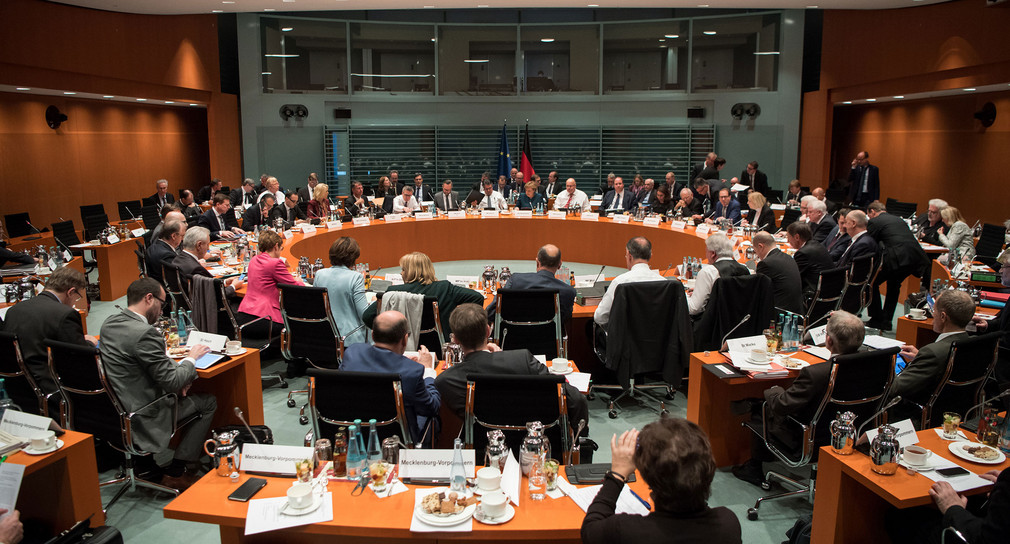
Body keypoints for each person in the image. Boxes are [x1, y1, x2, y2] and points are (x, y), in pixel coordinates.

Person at [100, 278, 217, 490]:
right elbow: (173, 382)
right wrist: (191, 358)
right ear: (148, 299)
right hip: (144, 414)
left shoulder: (109, 323)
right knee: (207, 402)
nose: (162, 310)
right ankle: (179, 470)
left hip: (114, 411)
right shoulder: (144, 333)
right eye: (162, 304)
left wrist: (177, 375)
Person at [733, 310, 865, 486]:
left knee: (762, 407)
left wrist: (773, 389)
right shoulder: (873, 367)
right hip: (851, 434)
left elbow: (781, 405)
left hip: (808, 437)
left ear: (829, 341)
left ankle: (754, 469)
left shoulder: (816, 374)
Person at [434, 303, 588, 434]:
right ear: (488, 331)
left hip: (483, 451)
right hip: (534, 446)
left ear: (455, 339)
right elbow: (576, 399)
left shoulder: (446, 380)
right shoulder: (522, 359)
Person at [581, 419, 742, 544]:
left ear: (649, 478)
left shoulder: (626, 531)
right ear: (709, 468)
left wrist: (617, 474)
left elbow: (590, 529)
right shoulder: (727, 524)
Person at [1, 267, 97, 408]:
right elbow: (80, 358)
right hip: (50, 387)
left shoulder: (14, 310)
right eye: (77, 297)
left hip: (15, 385)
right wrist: (89, 342)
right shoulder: (65, 314)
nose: (75, 301)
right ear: (70, 292)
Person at [339, 310, 440, 443]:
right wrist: (428, 371)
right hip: (397, 442)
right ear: (405, 339)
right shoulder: (413, 371)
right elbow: (431, 407)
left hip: (354, 434)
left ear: (373, 335)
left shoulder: (352, 353)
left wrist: (404, 363)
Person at [889, 290, 974, 421]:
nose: (932, 315)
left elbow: (895, 389)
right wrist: (920, 358)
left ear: (943, 316)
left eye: (934, 311)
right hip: (960, 411)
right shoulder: (972, 343)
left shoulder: (933, 352)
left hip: (923, 415)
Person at [361, 252, 483, 342]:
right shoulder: (445, 288)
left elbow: (367, 317)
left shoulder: (394, 291)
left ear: (410, 271)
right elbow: (477, 298)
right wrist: (455, 322)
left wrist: (389, 334)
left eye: (403, 269)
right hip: (441, 344)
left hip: (404, 345)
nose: (401, 273)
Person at [866, 202, 929, 330]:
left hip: (897, 257)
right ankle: (887, 321)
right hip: (913, 258)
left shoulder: (875, 221)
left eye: (869, 214)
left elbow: (870, 242)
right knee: (894, 286)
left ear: (872, 211)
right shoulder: (898, 219)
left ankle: (877, 318)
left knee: (871, 283)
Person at [486, 244, 576, 326]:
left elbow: (491, 312)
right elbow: (564, 319)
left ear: (537, 262)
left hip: (511, 339)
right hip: (548, 341)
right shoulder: (568, 291)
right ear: (560, 264)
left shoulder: (515, 280)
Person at [236, 230, 304, 338]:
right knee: (299, 326)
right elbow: (294, 287)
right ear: (276, 246)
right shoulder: (276, 263)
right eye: (281, 249)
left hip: (244, 314)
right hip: (266, 317)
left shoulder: (253, 260)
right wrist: (300, 281)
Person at [595, 237, 668, 327]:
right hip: (659, 338)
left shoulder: (619, 282)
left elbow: (600, 317)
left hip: (625, 339)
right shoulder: (665, 283)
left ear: (629, 256)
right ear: (650, 256)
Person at [970, 249, 1010, 411]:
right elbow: (1003, 322)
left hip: (1006, 362)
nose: (1000, 271)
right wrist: (988, 325)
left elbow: (1007, 338)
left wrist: (984, 341)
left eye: (1004, 267)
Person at [311, 237, 370, 346]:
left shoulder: (320, 274)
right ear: (354, 257)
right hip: (349, 339)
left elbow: (315, 306)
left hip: (323, 335)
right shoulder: (356, 277)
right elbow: (364, 315)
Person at [687, 232, 748, 316]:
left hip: (713, 324)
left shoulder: (708, 272)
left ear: (713, 254)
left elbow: (693, 309)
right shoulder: (745, 269)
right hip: (741, 321)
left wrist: (683, 297)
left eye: (706, 252)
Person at [753, 231, 804, 314]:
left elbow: (758, 292)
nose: (757, 255)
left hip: (779, 313)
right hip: (797, 310)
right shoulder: (788, 257)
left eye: (755, 251)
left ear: (760, 246)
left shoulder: (766, 263)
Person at [787, 222, 835, 302]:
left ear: (797, 237)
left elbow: (795, 277)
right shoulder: (817, 244)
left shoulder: (803, 253)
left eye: (789, 237)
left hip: (814, 292)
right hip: (829, 288)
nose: (788, 241)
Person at [145, 219, 185, 283]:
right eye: (182, 235)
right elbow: (180, 278)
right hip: (165, 288)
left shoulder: (153, 246)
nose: (183, 239)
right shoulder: (167, 255)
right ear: (174, 236)